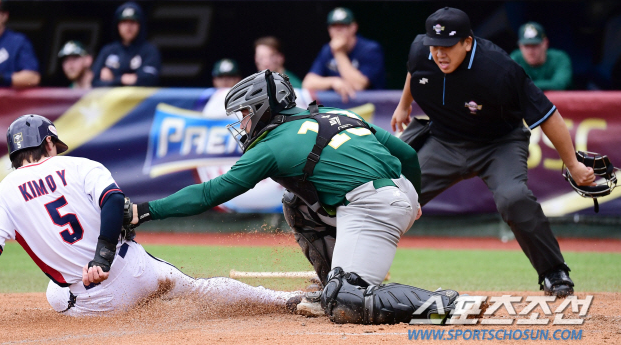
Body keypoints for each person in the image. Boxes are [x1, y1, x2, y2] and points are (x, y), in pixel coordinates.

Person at [126, 70, 460, 325]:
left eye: (244, 113)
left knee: (347, 303)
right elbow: (407, 155)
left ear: (261, 109)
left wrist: (145, 210)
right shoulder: (337, 113)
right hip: (388, 194)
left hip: (371, 206)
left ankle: (443, 304)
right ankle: (333, 282)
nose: (241, 123)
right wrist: (415, 201)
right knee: (295, 202)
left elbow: (210, 193)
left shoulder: (271, 145)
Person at [0, 114, 301, 325]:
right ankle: (283, 301)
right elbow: (114, 200)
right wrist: (102, 254)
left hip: (89, 302)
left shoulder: (1, 193)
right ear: (50, 143)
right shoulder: (80, 165)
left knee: (54, 293)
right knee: (199, 289)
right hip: (136, 272)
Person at [391, 7, 595, 298]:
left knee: (514, 198)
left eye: (448, 46)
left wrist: (573, 164)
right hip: (444, 140)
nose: (440, 53)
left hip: (498, 144)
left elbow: (548, 114)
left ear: (467, 43)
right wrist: (403, 104)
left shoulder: (499, 69)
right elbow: (415, 71)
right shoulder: (421, 51)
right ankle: (348, 271)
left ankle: (553, 272)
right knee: (392, 195)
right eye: (434, 46)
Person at [303, 7, 385, 101]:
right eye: (334, 26)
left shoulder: (370, 49)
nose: (338, 30)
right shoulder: (327, 50)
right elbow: (308, 83)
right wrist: (333, 82)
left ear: (353, 27)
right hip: (340, 107)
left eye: (343, 25)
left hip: (371, 107)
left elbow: (358, 85)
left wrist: (339, 53)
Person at [91, 2, 161, 87]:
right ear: (117, 25)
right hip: (112, 100)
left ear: (140, 25)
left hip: (140, 99)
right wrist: (121, 79)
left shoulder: (150, 50)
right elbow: (94, 83)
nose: (128, 27)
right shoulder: (107, 51)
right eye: (124, 22)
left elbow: (149, 80)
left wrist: (113, 79)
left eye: (133, 22)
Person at [510, 22, 573, 90]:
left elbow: (560, 84)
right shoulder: (515, 58)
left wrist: (525, 85)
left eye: (535, 45)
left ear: (545, 43)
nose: (530, 51)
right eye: (526, 46)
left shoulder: (559, 58)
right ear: (520, 46)